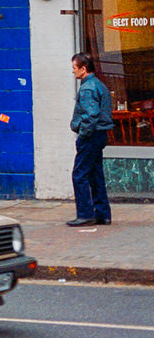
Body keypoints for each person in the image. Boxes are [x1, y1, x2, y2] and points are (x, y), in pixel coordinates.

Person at [68, 53, 114, 226]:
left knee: (79, 174)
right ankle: (103, 214)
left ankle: (85, 214)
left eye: (74, 67)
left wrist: (83, 134)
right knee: (95, 174)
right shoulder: (99, 84)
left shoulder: (88, 88)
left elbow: (90, 115)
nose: (73, 71)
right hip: (99, 134)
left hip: (91, 136)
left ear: (83, 69)